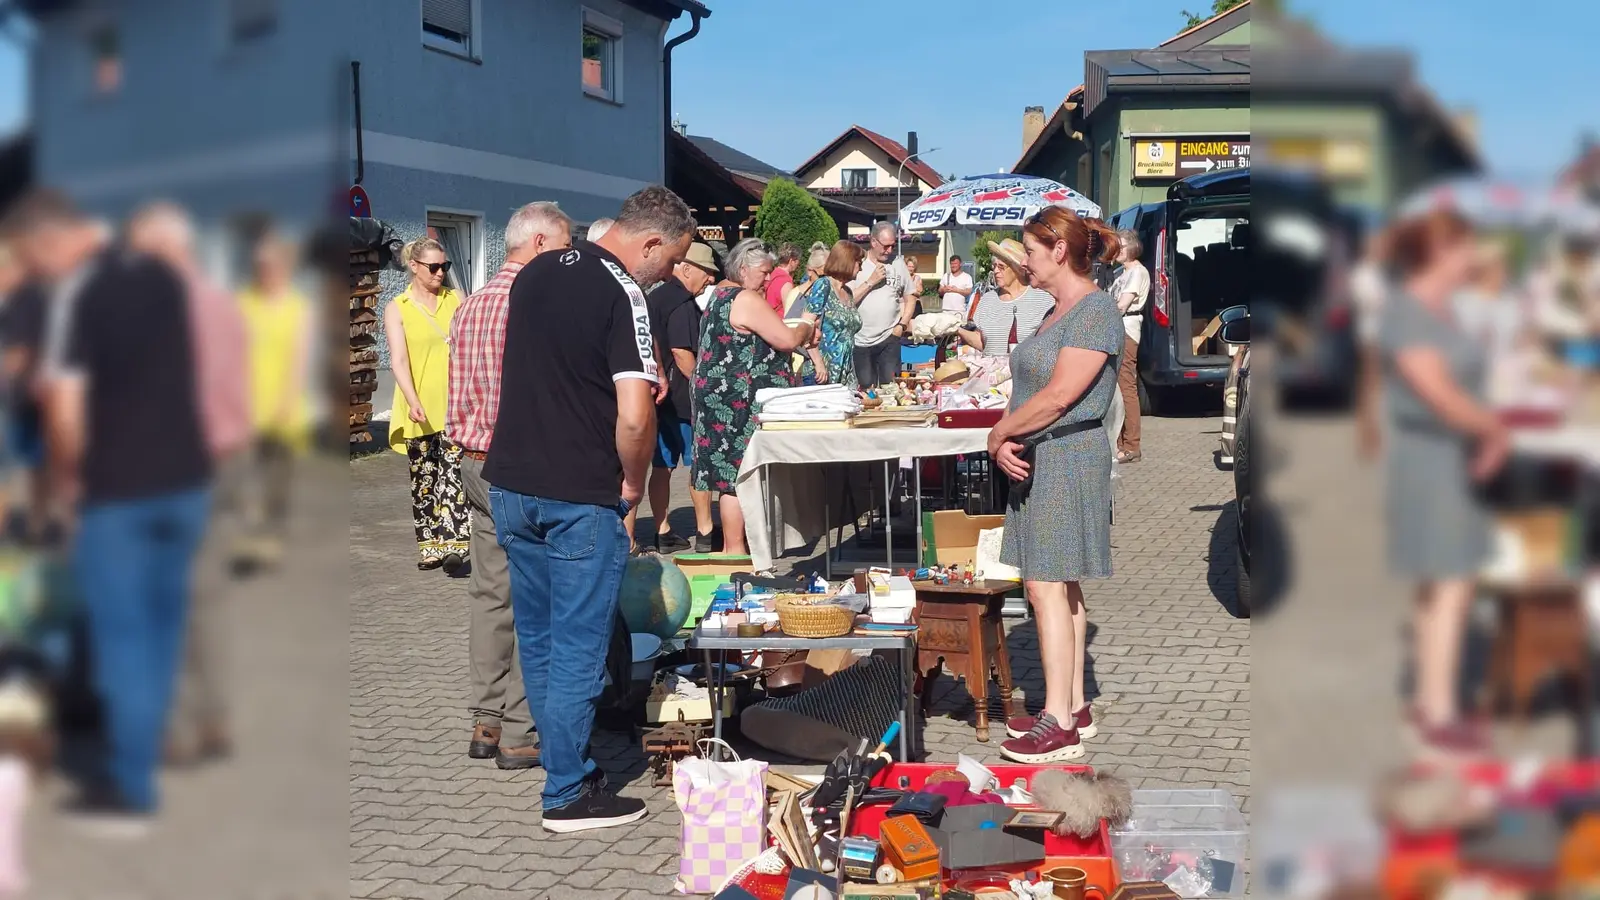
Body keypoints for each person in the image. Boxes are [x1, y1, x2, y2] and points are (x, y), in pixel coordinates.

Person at [484, 185, 694, 833]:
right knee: (578, 644)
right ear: (651, 242)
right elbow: (635, 414)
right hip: (579, 491)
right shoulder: (623, 291)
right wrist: (631, 487)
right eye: (671, 260)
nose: (668, 275)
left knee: (541, 639)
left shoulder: (538, 269)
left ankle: (564, 764)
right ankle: (568, 793)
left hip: (512, 481)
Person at [12, 189, 212, 828]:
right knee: (158, 634)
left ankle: (131, 786)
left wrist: (72, 487)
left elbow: (66, 411)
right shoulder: (164, 277)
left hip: (119, 495)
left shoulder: (77, 294)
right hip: (185, 485)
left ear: (47, 243)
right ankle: (140, 758)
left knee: (122, 642)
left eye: (31, 260)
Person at [986, 207, 1123, 764]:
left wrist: (999, 433)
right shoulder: (1055, 308)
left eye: (1033, 252)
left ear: (1059, 251)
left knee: (1044, 585)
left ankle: (1058, 722)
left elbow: (1060, 395)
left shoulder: (1093, 310)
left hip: (1066, 457)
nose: (1026, 262)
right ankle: (1073, 705)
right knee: (1059, 585)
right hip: (1046, 454)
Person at [124, 202, 252, 769]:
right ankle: (215, 716)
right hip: (222, 459)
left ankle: (174, 731)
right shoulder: (220, 305)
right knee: (206, 598)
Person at [446, 200, 572, 770]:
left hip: (471, 458)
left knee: (490, 593)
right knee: (533, 595)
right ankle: (523, 731)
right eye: (566, 248)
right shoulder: (532, 301)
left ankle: (485, 720)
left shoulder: (470, 304)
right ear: (540, 243)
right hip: (518, 463)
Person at [1377, 209, 1506, 758]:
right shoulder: (1408, 312)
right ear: (1439, 252)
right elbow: (1439, 394)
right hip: (1433, 460)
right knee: (1450, 587)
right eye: (1463, 250)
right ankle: (1439, 712)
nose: (1471, 259)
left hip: (1453, 456)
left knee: (1446, 587)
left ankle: (1432, 700)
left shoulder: (1442, 311)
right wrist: (1495, 432)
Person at [691, 239, 814, 556]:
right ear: (743, 268)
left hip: (716, 394)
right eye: (764, 272)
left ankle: (735, 548)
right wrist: (805, 325)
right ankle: (736, 549)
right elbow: (786, 339)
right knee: (738, 476)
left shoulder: (718, 294)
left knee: (728, 477)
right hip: (737, 399)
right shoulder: (745, 298)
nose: (769, 278)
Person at [385, 238, 469, 572]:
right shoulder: (398, 306)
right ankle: (429, 547)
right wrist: (411, 399)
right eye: (433, 267)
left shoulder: (456, 299)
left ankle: (453, 544)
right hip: (418, 406)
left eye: (445, 267)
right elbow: (399, 360)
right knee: (424, 479)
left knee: (453, 475)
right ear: (415, 266)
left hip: (453, 406)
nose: (440, 274)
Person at [235, 227, 315, 569]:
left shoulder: (298, 307)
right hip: (245, 407)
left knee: (278, 482)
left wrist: (286, 401)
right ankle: (250, 540)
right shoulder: (243, 302)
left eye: (272, 264)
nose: (266, 270)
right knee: (247, 481)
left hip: (284, 410)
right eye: (261, 265)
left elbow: (300, 359)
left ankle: (271, 540)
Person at [640, 241, 719, 554]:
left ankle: (662, 530)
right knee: (699, 466)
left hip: (660, 398)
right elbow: (682, 354)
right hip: (683, 400)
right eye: (707, 272)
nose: (711, 279)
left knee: (662, 466)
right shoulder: (683, 304)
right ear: (686, 268)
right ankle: (705, 533)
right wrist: (706, 387)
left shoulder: (654, 298)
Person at [960, 238, 1054, 358]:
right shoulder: (987, 300)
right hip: (993, 374)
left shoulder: (1043, 300)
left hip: (1026, 375)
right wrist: (957, 330)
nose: (996, 271)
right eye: (994, 266)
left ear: (1016, 269)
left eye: (1001, 267)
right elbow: (982, 342)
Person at [852, 222, 913, 388]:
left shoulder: (898, 264)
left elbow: (910, 297)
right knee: (865, 391)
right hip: (861, 340)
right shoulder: (858, 265)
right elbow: (848, 301)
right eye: (885, 246)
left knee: (891, 389)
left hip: (890, 337)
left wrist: (902, 324)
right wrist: (871, 281)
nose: (889, 251)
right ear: (873, 242)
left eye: (892, 246)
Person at [1108, 230, 1150, 463]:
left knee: (1126, 385)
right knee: (1118, 386)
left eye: (1121, 246)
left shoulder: (1137, 272)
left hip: (1127, 329)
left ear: (1133, 247)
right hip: (1118, 328)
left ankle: (1132, 444)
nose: (1118, 250)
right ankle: (1121, 440)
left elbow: (1122, 305)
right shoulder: (1120, 273)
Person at [801, 240, 866, 388]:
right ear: (847, 262)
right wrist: (818, 363)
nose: (860, 269)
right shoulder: (823, 285)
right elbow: (805, 327)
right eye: (858, 263)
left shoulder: (847, 293)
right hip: (822, 374)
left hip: (845, 374)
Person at [786, 242, 829, 319]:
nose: (827, 281)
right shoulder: (795, 295)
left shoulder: (832, 294)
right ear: (810, 271)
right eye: (823, 276)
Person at [765, 242, 801, 313]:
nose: (798, 264)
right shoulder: (786, 282)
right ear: (791, 261)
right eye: (797, 261)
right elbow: (789, 312)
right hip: (779, 321)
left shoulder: (773, 274)